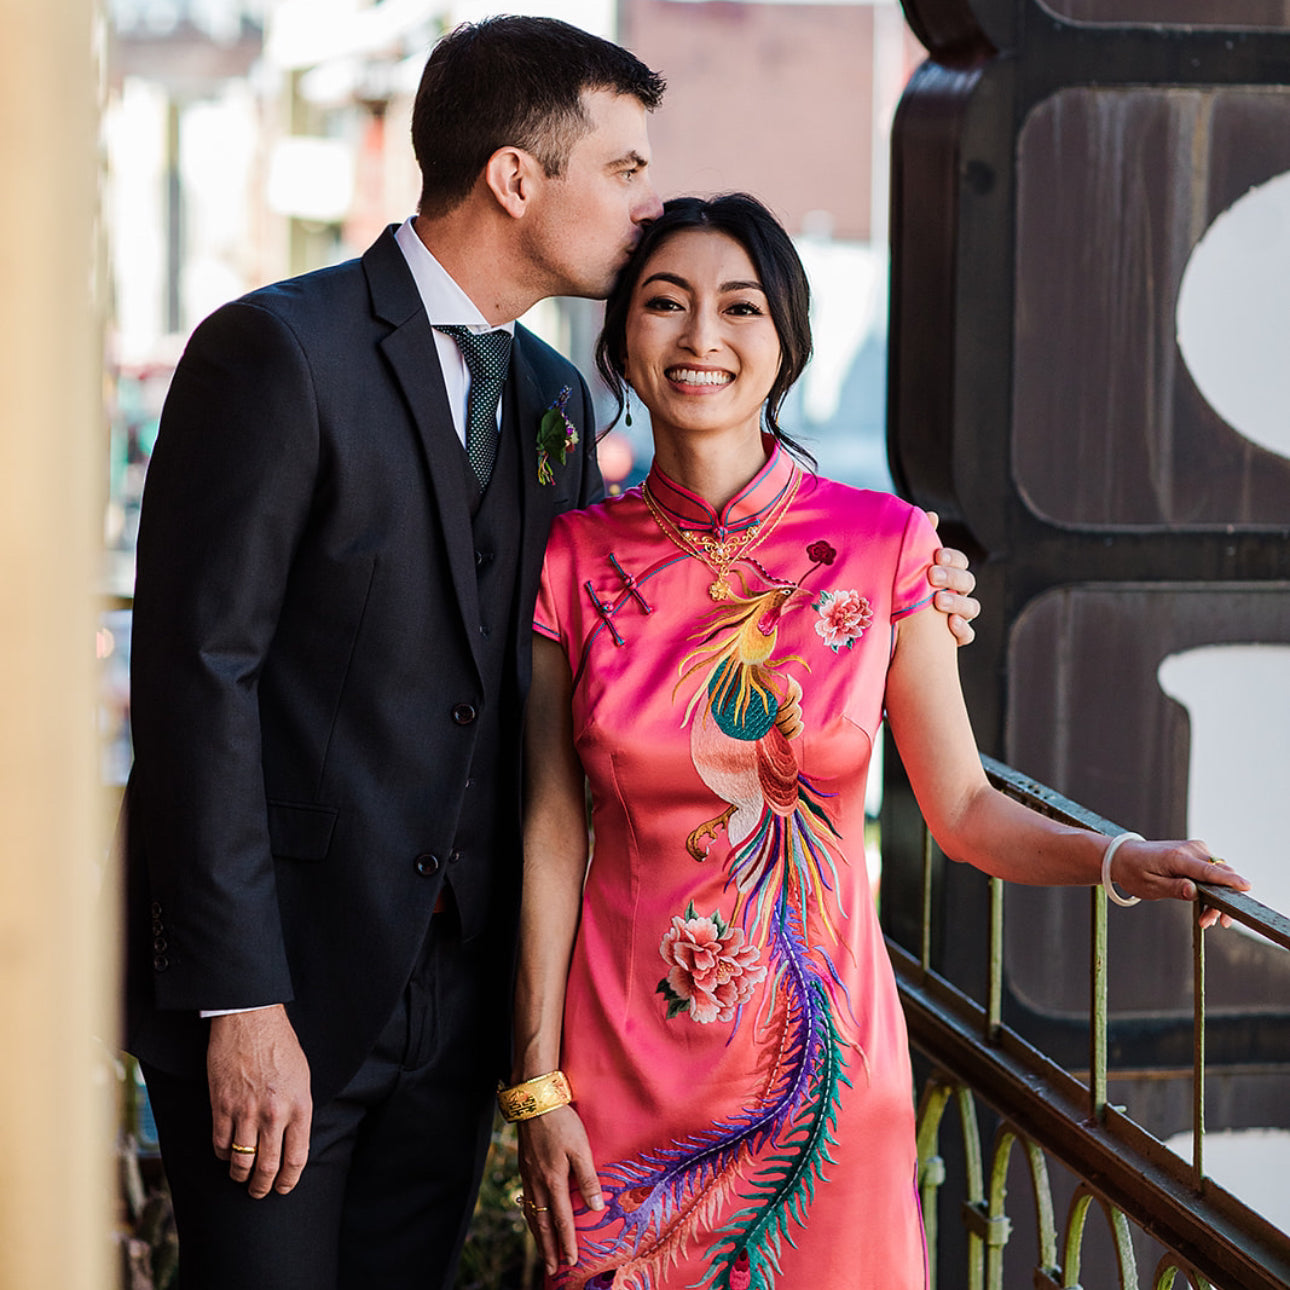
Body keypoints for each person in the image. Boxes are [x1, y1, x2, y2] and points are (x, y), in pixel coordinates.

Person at [122, 17, 981, 1290]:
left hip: (460, 1023)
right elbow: (201, 685)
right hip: (287, 995)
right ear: (519, 178)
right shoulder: (278, 353)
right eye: (625, 170)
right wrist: (242, 1004)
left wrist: (908, 581)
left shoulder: (554, 400)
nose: (644, 210)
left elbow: (604, 632)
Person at [507, 194, 1251, 1290]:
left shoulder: (885, 546)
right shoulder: (571, 561)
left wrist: (1117, 861)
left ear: (786, 345)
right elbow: (551, 830)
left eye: (741, 309)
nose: (702, 336)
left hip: (823, 1085)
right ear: (620, 339)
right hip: (618, 1084)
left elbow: (962, 813)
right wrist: (539, 1088)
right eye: (665, 304)